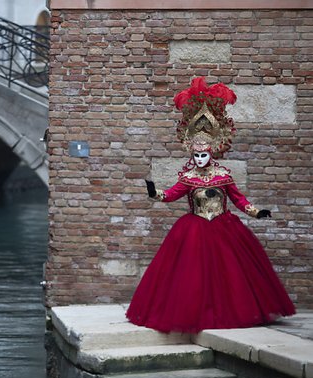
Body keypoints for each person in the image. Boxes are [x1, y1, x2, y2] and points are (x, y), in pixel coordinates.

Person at [125, 77, 296, 333]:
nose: (201, 158)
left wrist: (256, 211)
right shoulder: (188, 178)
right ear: (191, 152)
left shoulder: (224, 176)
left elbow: (238, 199)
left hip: (225, 228)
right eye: (196, 154)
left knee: (231, 275)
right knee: (193, 277)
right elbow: (171, 195)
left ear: (213, 151)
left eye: (204, 154)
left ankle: (234, 313)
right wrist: (154, 192)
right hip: (194, 229)